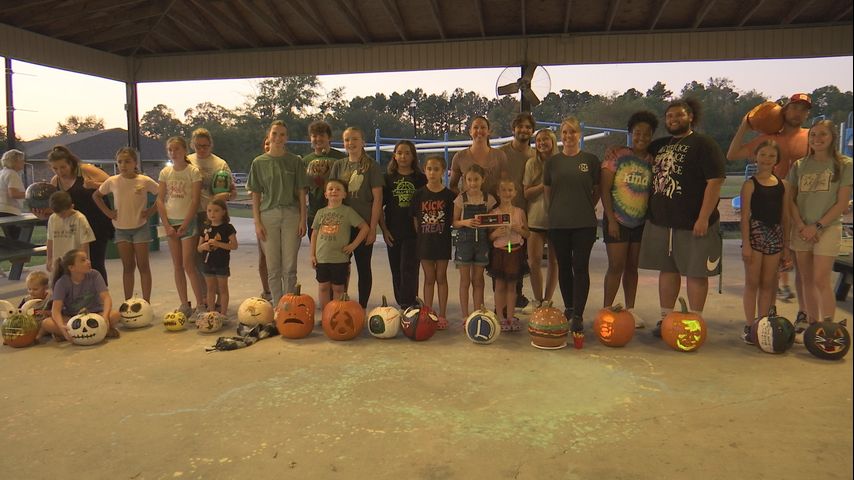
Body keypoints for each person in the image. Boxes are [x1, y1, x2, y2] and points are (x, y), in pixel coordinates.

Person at [639, 98, 726, 337]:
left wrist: (703, 217)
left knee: (696, 273)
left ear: (691, 117)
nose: (673, 119)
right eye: (669, 116)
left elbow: (715, 182)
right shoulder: (659, 146)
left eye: (678, 115)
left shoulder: (703, 144)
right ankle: (666, 319)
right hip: (662, 222)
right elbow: (637, 154)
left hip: (693, 223)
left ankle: (694, 322)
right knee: (667, 271)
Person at [727, 93, 812, 307]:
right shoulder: (769, 138)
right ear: (784, 109)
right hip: (772, 209)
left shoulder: (812, 137)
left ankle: (804, 315)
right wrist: (745, 125)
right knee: (770, 273)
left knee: (804, 270)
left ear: (807, 114)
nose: (798, 112)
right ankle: (767, 317)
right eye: (794, 107)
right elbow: (733, 154)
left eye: (803, 109)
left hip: (804, 209)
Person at [787, 119, 853, 333]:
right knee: (805, 278)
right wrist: (800, 225)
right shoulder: (800, 165)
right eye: (813, 135)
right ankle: (811, 322)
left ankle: (828, 325)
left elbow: (842, 203)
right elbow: (791, 200)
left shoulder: (844, 164)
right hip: (801, 228)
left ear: (832, 137)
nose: (817, 139)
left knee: (820, 278)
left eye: (822, 134)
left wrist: (817, 226)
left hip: (827, 227)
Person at [543, 117, 601, 336]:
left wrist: (585, 207)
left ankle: (578, 314)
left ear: (580, 135)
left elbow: (596, 191)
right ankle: (568, 308)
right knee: (564, 266)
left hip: (584, 223)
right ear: (561, 136)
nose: (568, 136)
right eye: (565, 132)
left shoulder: (591, 160)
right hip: (559, 223)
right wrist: (557, 211)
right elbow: (548, 192)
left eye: (572, 132)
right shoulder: (553, 163)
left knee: (580, 266)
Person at [600, 111, 658, 328]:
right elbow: (605, 189)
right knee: (616, 265)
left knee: (632, 267)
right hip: (617, 220)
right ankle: (606, 310)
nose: (641, 137)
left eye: (646, 134)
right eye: (637, 133)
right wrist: (611, 220)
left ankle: (630, 309)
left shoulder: (653, 160)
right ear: (630, 133)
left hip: (640, 222)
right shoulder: (618, 156)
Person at [248, 120, 307, 303]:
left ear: (286, 138)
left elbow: (301, 192)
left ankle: (289, 305)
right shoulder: (259, 163)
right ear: (269, 136)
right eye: (275, 134)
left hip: (291, 214)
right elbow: (256, 194)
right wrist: (257, 222)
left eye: (282, 134)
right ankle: (276, 306)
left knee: (289, 266)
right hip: (268, 215)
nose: (278, 138)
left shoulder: (294, 161)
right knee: (272, 266)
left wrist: (302, 219)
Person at [740, 140, 791, 343]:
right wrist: (746, 244)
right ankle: (749, 324)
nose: (767, 159)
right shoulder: (750, 184)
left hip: (775, 235)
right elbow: (744, 216)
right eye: (763, 155)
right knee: (752, 282)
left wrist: (786, 245)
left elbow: (785, 216)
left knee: (768, 283)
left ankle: (762, 323)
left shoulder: (783, 185)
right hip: (756, 234)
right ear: (756, 157)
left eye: (771, 156)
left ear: (777, 160)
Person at [93, 147, 159, 302]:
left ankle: (146, 301)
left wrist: (151, 211)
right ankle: (128, 301)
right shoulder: (112, 181)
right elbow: (96, 195)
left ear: (135, 162)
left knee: (143, 266)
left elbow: (162, 193)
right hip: (121, 229)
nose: (123, 165)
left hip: (140, 227)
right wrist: (108, 212)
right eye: (120, 162)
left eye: (127, 161)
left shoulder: (144, 180)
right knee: (128, 267)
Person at [329, 126, 383, 309]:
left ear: (363, 142)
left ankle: (361, 306)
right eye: (347, 140)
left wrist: (373, 228)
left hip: (363, 225)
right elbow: (331, 195)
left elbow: (377, 199)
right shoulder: (339, 165)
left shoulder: (372, 166)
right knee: (339, 267)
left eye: (354, 139)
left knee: (363, 266)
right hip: (341, 225)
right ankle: (339, 305)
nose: (350, 143)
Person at [46, 145, 114, 284]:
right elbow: (57, 207)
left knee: (95, 262)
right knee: (74, 264)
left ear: (70, 163)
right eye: (55, 168)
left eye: (63, 167)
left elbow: (113, 185)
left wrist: (94, 185)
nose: (60, 171)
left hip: (96, 223)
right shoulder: (55, 181)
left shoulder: (85, 170)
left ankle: (101, 294)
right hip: (73, 228)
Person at [156, 136, 205, 318]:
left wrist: (185, 223)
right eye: (170, 150)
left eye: (176, 149)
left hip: (187, 222)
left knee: (188, 264)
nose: (173, 152)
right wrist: (167, 224)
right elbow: (160, 200)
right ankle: (184, 303)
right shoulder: (165, 173)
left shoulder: (193, 172)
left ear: (184, 150)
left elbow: (195, 200)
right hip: (171, 221)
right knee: (177, 265)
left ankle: (201, 304)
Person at [188, 128, 236, 299]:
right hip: (193, 213)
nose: (202, 149)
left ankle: (218, 297)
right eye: (198, 146)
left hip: (214, 216)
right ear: (192, 144)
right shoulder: (187, 162)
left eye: (205, 146)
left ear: (211, 145)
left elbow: (233, 192)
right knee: (197, 259)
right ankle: (203, 298)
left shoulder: (219, 164)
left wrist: (226, 195)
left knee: (216, 257)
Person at [379, 140, 426, 309]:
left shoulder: (421, 178)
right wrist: (384, 230)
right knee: (397, 269)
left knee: (410, 268)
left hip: (414, 232)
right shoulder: (387, 178)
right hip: (394, 230)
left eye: (407, 153)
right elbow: (379, 207)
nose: (403, 156)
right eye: (399, 153)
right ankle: (402, 302)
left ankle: (409, 303)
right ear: (394, 156)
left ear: (413, 156)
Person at [311, 179, 369, 310]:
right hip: (322, 257)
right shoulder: (320, 213)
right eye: (330, 189)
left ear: (344, 194)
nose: (334, 191)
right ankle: (326, 314)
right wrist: (312, 255)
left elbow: (365, 228)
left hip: (340, 258)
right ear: (325, 194)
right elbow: (314, 234)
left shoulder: (348, 212)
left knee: (338, 288)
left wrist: (353, 245)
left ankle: (336, 314)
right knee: (323, 287)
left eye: (338, 189)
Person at [412, 155, 455, 328]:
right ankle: (428, 312)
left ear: (443, 172)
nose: (432, 172)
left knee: (441, 277)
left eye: (436, 169)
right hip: (425, 243)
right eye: (429, 169)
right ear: (424, 170)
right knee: (429, 278)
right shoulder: (419, 194)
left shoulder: (449, 196)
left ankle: (443, 314)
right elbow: (415, 220)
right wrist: (424, 234)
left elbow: (452, 219)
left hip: (442, 242)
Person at [39, 249, 119, 341]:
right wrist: (61, 327)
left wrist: (105, 316)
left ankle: (74, 334)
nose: (88, 262)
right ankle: (98, 331)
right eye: (83, 260)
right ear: (71, 268)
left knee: (115, 315)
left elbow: (106, 298)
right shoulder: (62, 283)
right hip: (73, 319)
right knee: (46, 323)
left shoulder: (95, 275)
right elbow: (55, 311)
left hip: (95, 315)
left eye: (87, 259)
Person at [499, 113, 536, 312]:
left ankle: (517, 295)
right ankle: (501, 299)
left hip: (526, 212)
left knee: (518, 256)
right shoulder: (502, 153)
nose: (524, 130)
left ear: (532, 131)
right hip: (504, 212)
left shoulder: (534, 156)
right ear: (513, 129)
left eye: (528, 127)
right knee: (501, 254)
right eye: (520, 127)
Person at [452, 164, 496, 318]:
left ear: (482, 180)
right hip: (464, 242)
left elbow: (492, 220)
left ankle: (478, 313)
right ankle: (465, 316)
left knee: (478, 279)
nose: (472, 183)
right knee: (465, 281)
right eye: (469, 180)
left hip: (482, 242)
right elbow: (454, 222)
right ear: (465, 181)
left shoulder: (488, 199)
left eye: (476, 179)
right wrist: (466, 222)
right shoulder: (460, 199)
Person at [524, 128, 559, 310]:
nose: (542, 143)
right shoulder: (532, 164)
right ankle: (537, 300)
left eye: (545, 139)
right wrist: (543, 184)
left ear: (552, 141)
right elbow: (527, 193)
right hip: (536, 218)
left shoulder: (561, 163)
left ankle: (547, 299)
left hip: (556, 219)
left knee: (554, 261)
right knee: (534, 260)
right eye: (538, 141)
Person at [487, 179, 530, 332]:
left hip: (516, 252)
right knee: (499, 286)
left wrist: (519, 230)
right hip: (500, 253)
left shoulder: (520, 212)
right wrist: (496, 233)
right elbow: (490, 237)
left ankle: (511, 316)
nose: (507, 193)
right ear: (498, 193)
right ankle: (500, 317)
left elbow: (527, 233)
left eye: (510, 190)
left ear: (515, 193)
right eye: (503, 190)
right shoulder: (493, 213)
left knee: (512, 287)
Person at [303, 120, 347, 238]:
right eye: (314, 136)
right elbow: (303, 190)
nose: (318, 139)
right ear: (310, 138)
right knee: (316, 252)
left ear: (329, 137)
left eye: (322, 135)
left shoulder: (341, 158)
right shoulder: (306, 161)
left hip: (338, 213)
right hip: (315, 213)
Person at [449, 116, 509, 198]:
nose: (479, 130)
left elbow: (505, 184)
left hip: (495, 207)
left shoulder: (500, 156)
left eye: (483, 127)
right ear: (470, 131)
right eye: (476, 127)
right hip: (469, 209)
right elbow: (453, 186)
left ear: (489, 131)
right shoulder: (459, 157)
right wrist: (463, 200)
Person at [198, 198, 237, 315]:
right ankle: (211, 312)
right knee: (210, 289)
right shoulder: (205, 228)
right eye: (209, 211)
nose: (212, 214)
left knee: (222, 289)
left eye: (216, 211)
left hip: (222, 263)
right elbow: (198, 248)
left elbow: (234, 245)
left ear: (223, 212)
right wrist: (203, 246)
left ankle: (223, 313)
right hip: (207, 263)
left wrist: (218, 244)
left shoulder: (228, 228)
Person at [46, 191, 95, 275]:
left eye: (63, 213)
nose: (61, 216)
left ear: (72, 206)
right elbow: (50, 240)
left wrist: (83, 261)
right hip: (58, 261)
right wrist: (49, 258)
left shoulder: (80, 219)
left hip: (75, 262)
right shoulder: (53, 218)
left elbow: (85, 243)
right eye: (58, 214)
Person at [0, 149, 28, 277]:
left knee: (9, 240)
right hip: (9, 210)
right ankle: (18, 266)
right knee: (17, 241)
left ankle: (16, 266)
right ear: (14, 161)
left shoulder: (2, 173)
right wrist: (29, 194)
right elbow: (13, 193)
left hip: (2, 210)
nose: (23, 163)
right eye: (21, 160)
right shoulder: (12, 174)